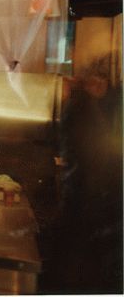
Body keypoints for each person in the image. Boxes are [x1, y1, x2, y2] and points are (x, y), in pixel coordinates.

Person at [46, 54, 123, 293]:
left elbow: (84, 155)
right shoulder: (86, 108)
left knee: (73, 258)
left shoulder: (83, 108)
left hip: (87, 195)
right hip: (90, 195)